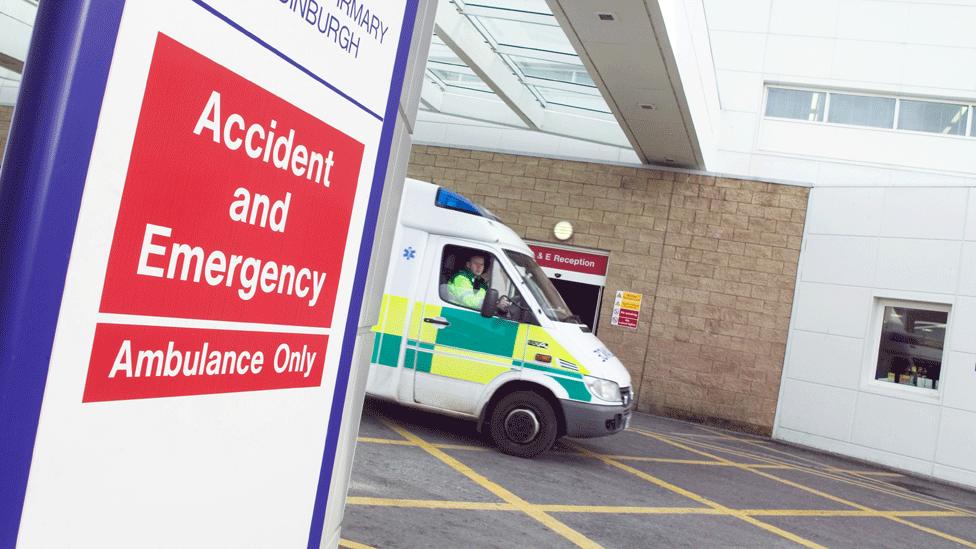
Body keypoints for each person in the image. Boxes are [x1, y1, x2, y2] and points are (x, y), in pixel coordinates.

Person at [447, 254, 513, 314]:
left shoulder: (478, 281)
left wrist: (499, 301)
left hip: (472, 313)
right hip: (457, 314)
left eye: (482, 264)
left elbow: (484, 297)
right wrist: (495, 304)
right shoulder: (461, 278)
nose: (479, 267)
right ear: (468, 265)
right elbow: (469, 300)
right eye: (476, 263)